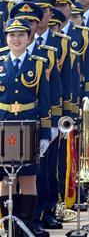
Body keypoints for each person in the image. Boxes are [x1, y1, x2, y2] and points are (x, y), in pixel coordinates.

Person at [0, 17, 51, 235]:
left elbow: (45, 100)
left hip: (28, 124)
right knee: (5, 179)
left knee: (27, 177)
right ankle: (9, 225)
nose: (16, 39)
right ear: (7, 38)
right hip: (3, 125)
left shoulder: (38, 63)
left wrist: (45, 134)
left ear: (29, 38)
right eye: (12, 35)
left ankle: (25, 225)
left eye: (21, 35)